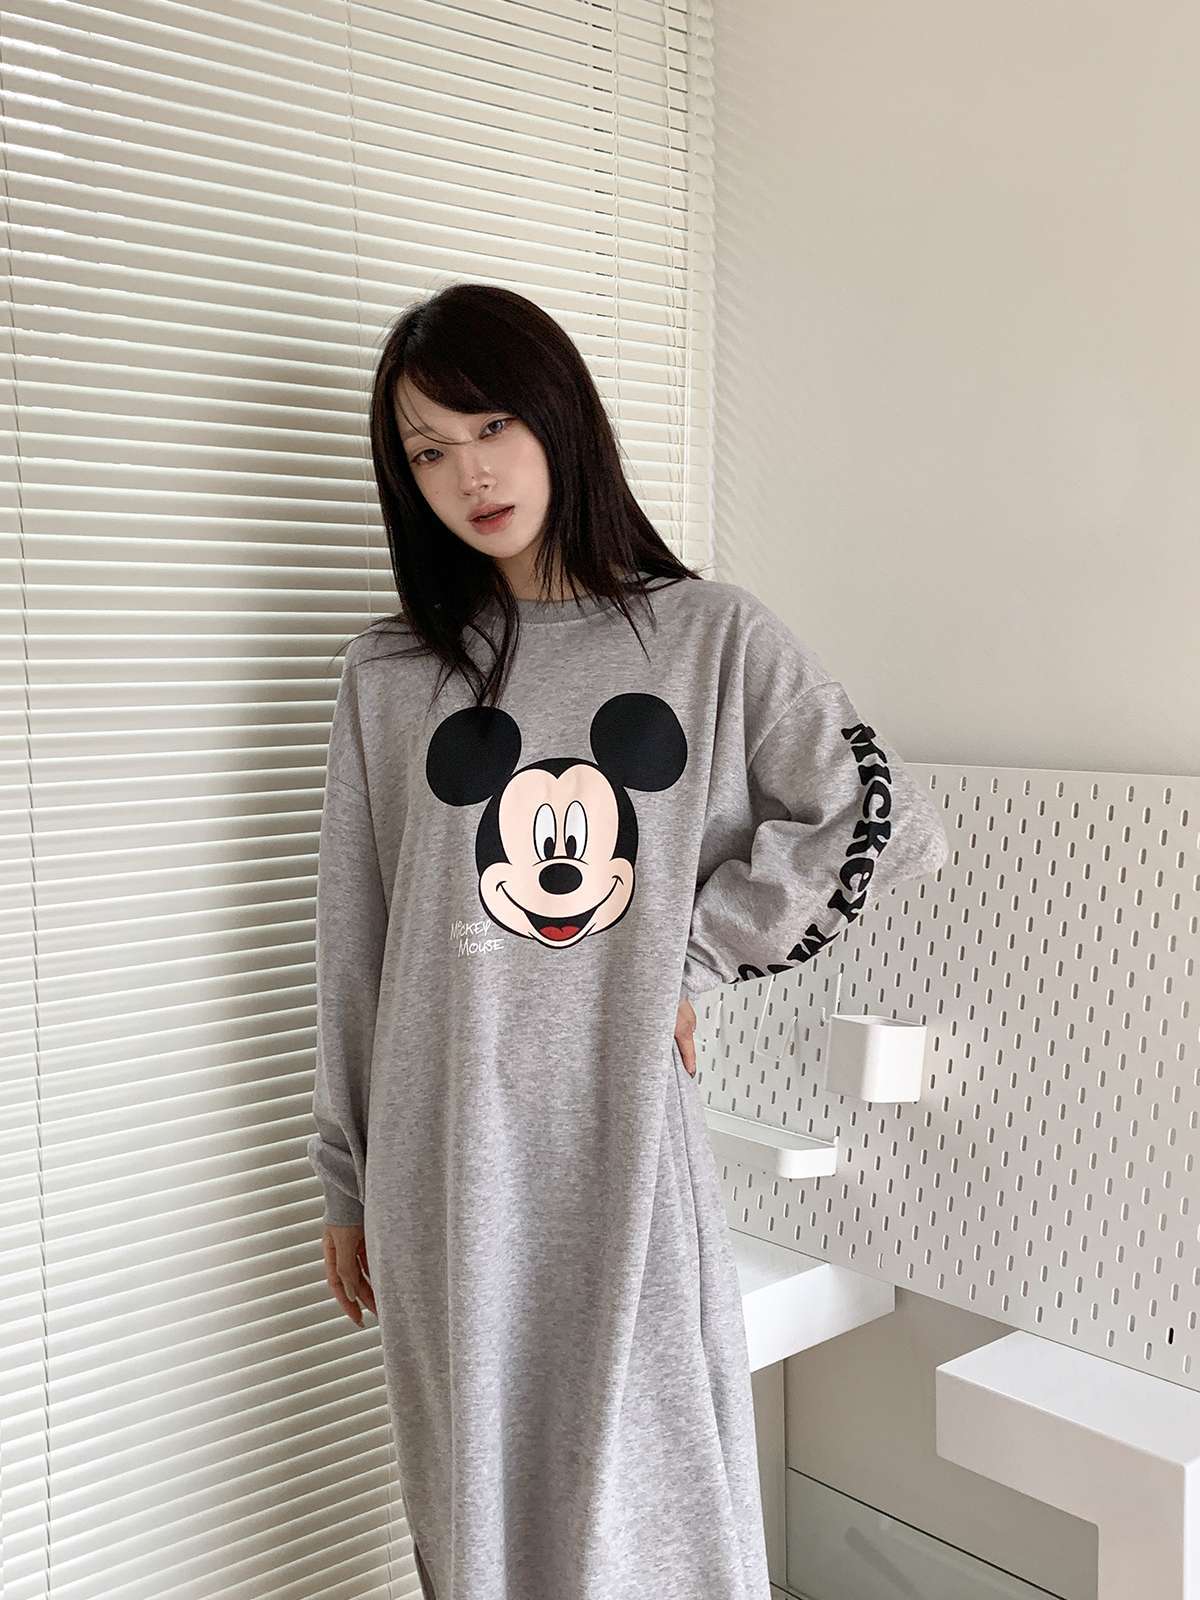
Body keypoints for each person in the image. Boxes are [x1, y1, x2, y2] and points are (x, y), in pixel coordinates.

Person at [307, 282, 949, 1600]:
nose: (469, 475)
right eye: (427, 451)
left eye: (491, 425)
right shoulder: (391, 675)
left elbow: (874, 815)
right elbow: (357, 944)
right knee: (476, 1528)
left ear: (559, 415)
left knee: (655, 1519)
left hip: (622, 1151)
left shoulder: (705, 638)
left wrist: (690, 952)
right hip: (442, 1165)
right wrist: (344, 1180)